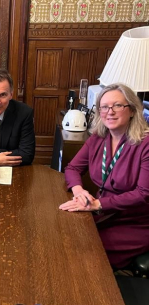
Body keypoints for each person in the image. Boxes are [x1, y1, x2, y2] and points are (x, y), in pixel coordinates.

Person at [59, 83, 149, 269]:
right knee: (63, 237)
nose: (110, 112)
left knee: (86, 254)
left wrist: (99, 204)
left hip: (134, 222)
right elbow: (72, 168)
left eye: (117, 105)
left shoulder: (145, 144)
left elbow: (143, 194)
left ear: (132, 110)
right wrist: (78, 190)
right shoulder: (98, 138)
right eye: (104, 107)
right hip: (102, 212)